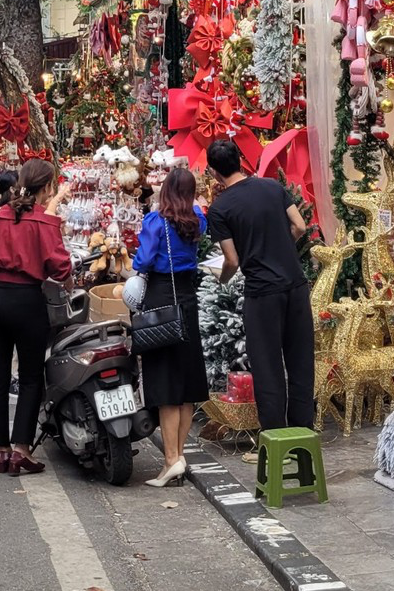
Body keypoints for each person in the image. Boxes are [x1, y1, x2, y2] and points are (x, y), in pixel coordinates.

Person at [204, 139, 312, 431]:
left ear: (214, 172)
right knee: (301, 362)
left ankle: (276, 436)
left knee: (268, 367)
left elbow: (231, 260)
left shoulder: (220, 208)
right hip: (295, 284)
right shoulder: (273, 187)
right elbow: (300, 226)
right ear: (240, 160)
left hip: (262, 293)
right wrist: (281, 248)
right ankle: (303, 433)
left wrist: (222, 279)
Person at [0, 159, 69, 474]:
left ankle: (0, 451)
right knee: (29, 378)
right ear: (48, 187)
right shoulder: (45, 222)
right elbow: (61, 267)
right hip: (28, 300)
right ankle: (21, 449)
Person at [132, 166, 208, 487]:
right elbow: (200, 212)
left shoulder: (156, 222)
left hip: (162, 299)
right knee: (187, 384)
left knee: (165, 385)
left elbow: (144, 261)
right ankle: (180, 454)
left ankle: (171, 459)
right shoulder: (196, 221)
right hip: (188, 300)